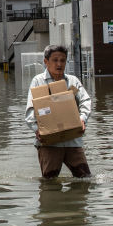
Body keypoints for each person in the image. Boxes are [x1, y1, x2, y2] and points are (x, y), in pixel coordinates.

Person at [24, 44, 92, 179]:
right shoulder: (38, 81)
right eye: (55, 60)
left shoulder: (72, 81)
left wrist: (82, 119)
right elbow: (31, 110)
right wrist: (38, 129)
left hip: (72, 140)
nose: (59, 64)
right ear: (46, 61)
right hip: (49, 142)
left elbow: (85, 101)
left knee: (85, 178)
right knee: (50, 181)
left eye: (62, 60)